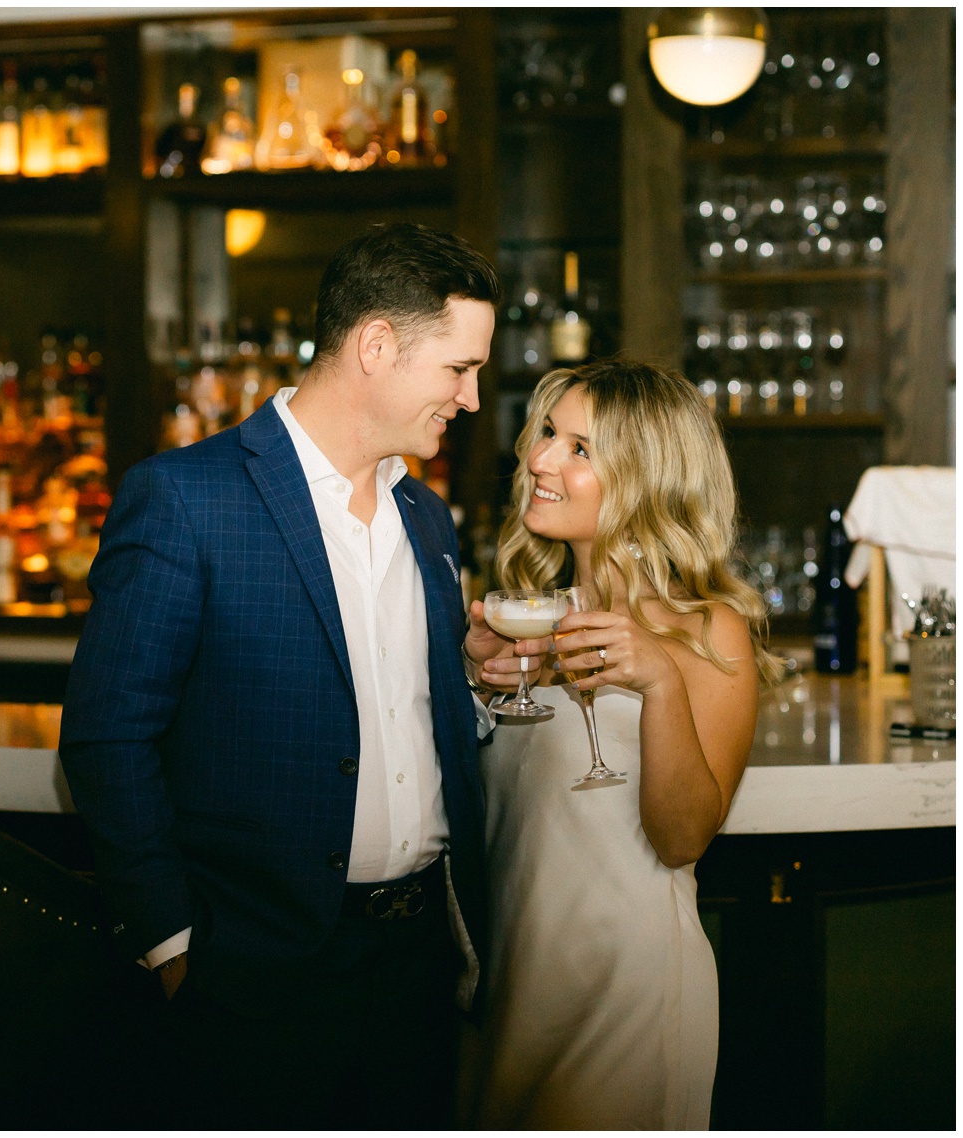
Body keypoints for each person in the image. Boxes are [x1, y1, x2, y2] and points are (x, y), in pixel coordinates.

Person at [58, 222, 509, 1127]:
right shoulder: (186, 498)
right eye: (458, 368)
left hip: (418, 963)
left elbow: (402, 712)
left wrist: (478, 685)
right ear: (376, 346)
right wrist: (171, 941)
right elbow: (108, 736)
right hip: (253, 973)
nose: (469, 396)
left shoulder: (426, 515)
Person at [464, 359, 780, 1129]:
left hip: (629, 995)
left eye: (580, 448)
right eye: (546, 434)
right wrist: (467, 681)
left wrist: (663, 683)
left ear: (647, 477)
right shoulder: (518, 621)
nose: (539, 459)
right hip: (507, 985)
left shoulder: (709, 631)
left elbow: (681, 840)